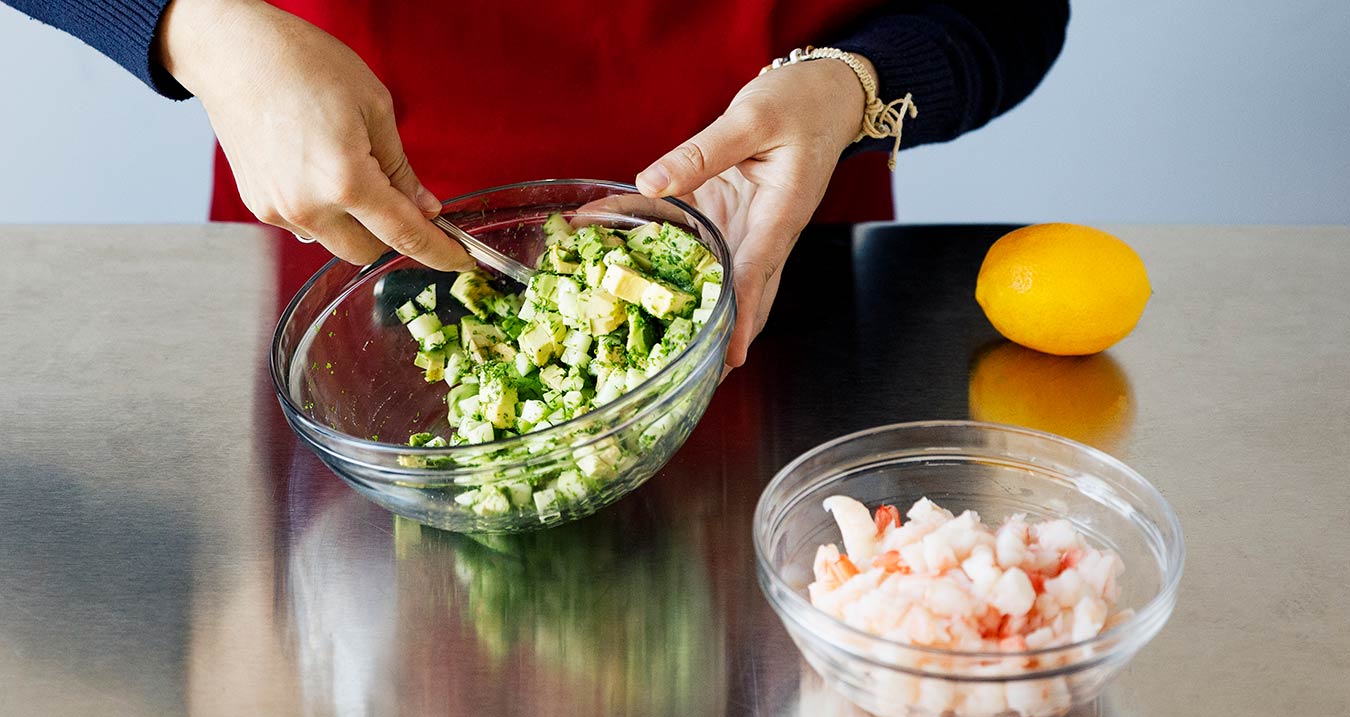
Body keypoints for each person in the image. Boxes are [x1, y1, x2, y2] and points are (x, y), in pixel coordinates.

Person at [5, 0, 1068, 368]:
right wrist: (191, 24)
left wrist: (857, 86)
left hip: (783, 270)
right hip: (349, 264)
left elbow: (1008, 12)